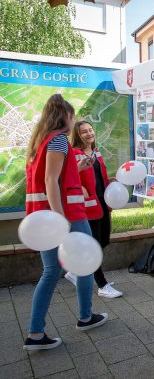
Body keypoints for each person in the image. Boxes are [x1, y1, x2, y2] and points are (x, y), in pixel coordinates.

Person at [23, 94, 108, 351]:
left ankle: (35, 333)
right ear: (65, 117)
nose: (73, 122)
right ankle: (85, 317)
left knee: (51, 272)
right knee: (85, 263)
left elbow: (54, 176)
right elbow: (51, 181)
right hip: (67, 215)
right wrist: (60, 220)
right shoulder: (59, 139)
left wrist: (78, 168)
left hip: (42, 216)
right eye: (72, 117)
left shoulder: (40, 141)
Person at [69, 120, 122, 298]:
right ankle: (102, 285)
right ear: (77, 135)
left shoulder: (95, 152)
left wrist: (109, 181)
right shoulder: (74, 153)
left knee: (104, 240)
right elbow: (67, 177)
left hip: (102, 201)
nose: (89, 133)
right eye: (84, 131)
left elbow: (98, 175)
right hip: (89, 205)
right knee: (94, 245)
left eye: (90, 130)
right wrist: (79, 186)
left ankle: (75, 271)